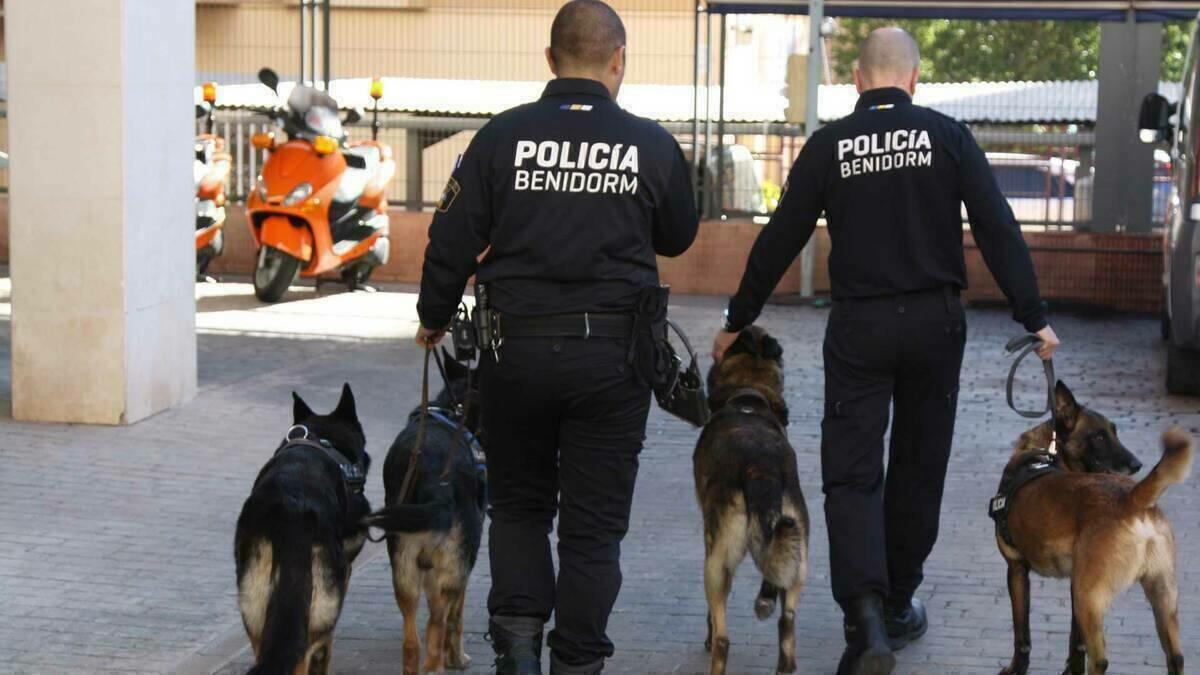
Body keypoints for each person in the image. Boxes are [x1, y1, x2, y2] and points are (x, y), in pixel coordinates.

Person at [711, 27, 1060, 675]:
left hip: (860, 327)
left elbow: (781, 237)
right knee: (920, 464)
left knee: (852, 472)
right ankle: (899, 598)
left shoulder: (829, 146)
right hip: (935, 322)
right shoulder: (947, 136)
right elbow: (995, 226)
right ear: (914, 80)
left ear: (857, 81)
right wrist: (1034, 318)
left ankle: (866, 616)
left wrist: (737, 318)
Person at [414, 1, 699, 673]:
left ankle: (516, 652)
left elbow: (449, 240)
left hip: (515, 356)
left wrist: (432, 316)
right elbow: (678, 235)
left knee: (517, 507)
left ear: (549, 59)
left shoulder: (501, 138)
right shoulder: (651, 144)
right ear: (618, 60)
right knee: (593, 530)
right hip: (613, 360)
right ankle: (577, 663)